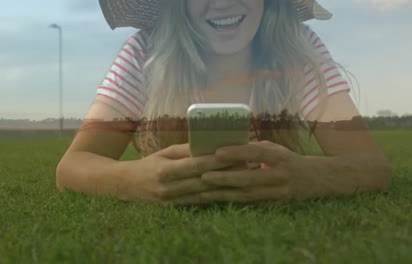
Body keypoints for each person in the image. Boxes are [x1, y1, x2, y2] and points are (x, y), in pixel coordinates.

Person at [56, 0, 392, 205]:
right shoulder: (147, 53)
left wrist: (308, 177)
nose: (222, 3)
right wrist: (133, 180)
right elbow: (72, 167)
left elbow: (372, 166)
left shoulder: (296, 46)